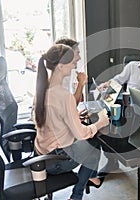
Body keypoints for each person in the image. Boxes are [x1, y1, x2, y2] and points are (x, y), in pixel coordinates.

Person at [34, 43, 109, 200]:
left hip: (41, 154)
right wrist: (101, 122)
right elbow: (81, 134)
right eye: (72, 62)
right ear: (61, 66)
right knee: (95, 143)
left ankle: (90, 180)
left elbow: (53, 121)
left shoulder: (42, 89)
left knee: (90, 140)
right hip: (56, 160)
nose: (75, 64)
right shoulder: (63, 96)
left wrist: (73, 119)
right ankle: (77, 195)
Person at [98, 41, 140, 175]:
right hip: (128, 106)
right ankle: (112, 161)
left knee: (134, 132)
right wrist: (106, 84)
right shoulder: (132, 66)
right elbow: (119, 79)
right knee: (107, 128)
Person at [55, 37, 87, 106]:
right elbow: (71, 105)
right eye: (77, 53)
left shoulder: (64, 72)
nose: (79, 58)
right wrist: (81, 83)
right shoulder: (57, 77)